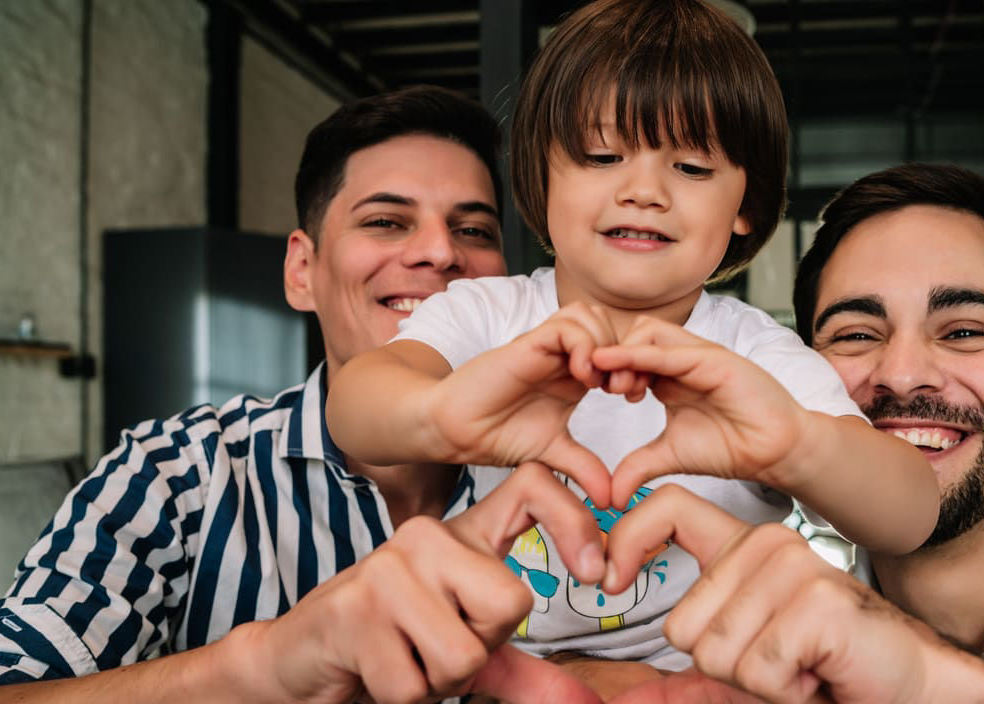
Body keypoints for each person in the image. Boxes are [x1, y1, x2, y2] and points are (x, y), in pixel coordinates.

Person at [326, 0, 938, 672]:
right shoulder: (486, 315)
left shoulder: (755, 355)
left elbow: (907, 514)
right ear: (539, 176)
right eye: (601, 154)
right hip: (503, 675)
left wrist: (792, 444)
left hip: (713, 678)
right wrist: (439, 413)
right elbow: (356, 408)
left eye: (692, 168)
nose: (643, 191)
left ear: (746, 207)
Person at [0, 86, 611, 703]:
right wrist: (265, 666)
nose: (441, 252)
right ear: (302, 272)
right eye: (387, 221)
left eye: (475, 231)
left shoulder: (585, 475)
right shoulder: (175, 476)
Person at [590, 163, 984, 704]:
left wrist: (922, 675)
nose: (902, 374)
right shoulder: (751, 623)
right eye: (857, 335)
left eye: (965, 331)